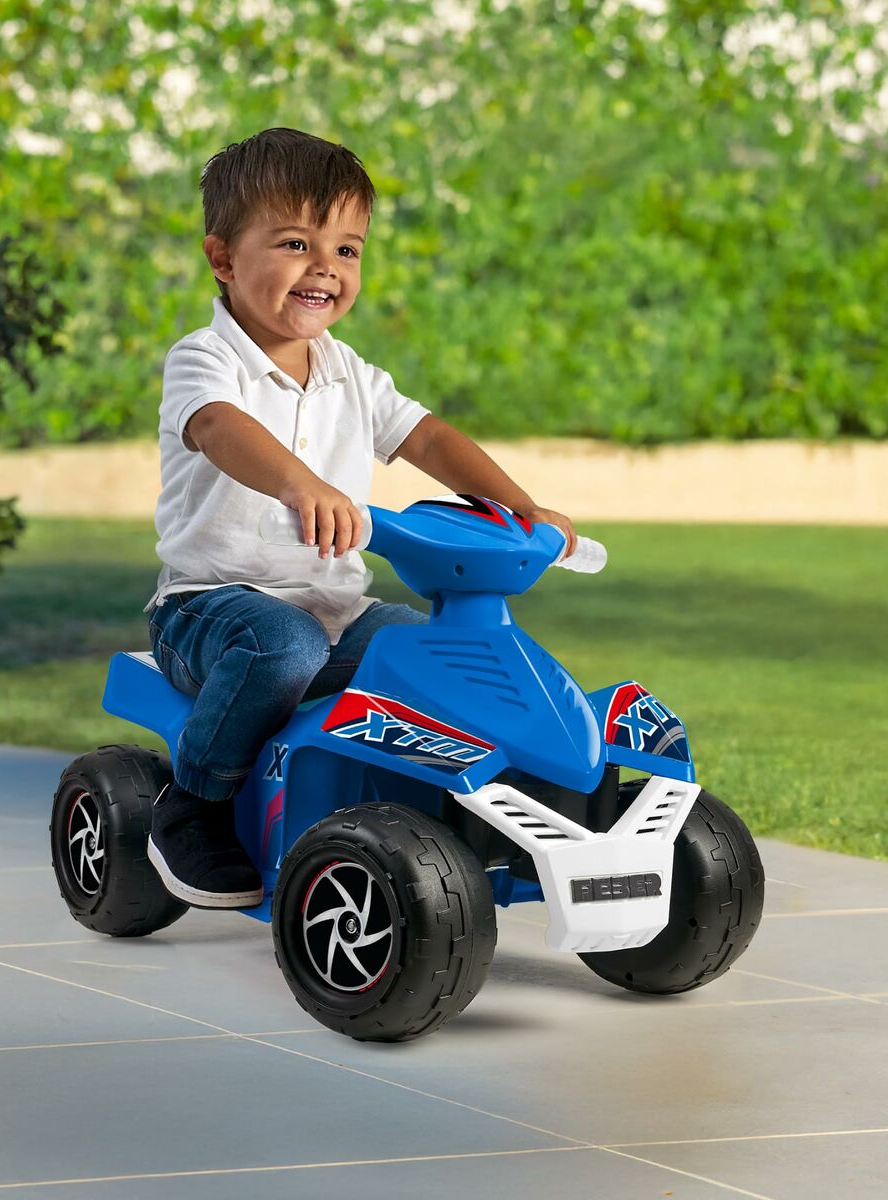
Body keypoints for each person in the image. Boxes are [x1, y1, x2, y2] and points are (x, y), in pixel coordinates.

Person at [146, 127, 578, 909]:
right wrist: (300, 484)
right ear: (223, 258)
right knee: (284, 646)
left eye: (346, 250)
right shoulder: (206, 359)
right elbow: (216, 426)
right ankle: (194, 803)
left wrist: (518, 505)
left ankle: (454, 807)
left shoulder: (350, 372)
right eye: (295, 244)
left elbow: (428, 438)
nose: (325, 267)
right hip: (211, 608)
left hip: (336, 611)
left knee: (435, 651)